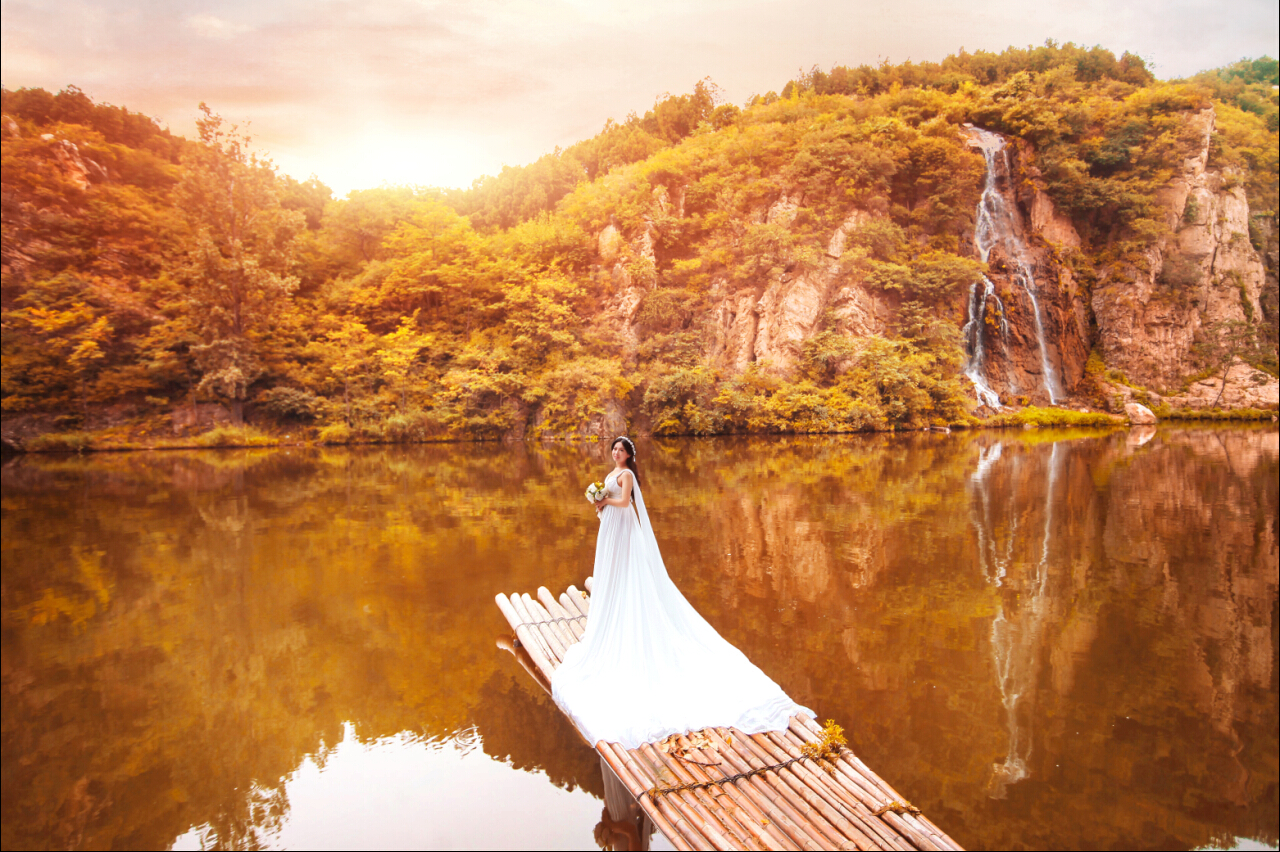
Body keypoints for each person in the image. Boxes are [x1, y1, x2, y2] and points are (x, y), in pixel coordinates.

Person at [551, 436, 810, 749]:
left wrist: (604, 501)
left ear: (629, 454)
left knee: (630, 571)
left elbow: (626, 502)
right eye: (615, 450)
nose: (617, 453)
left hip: (623, 525)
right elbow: (610, 499)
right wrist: (599, 502)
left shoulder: (628, 475)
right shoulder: (611, 473)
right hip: (611, 527)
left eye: (621, 450)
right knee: (612, 571)